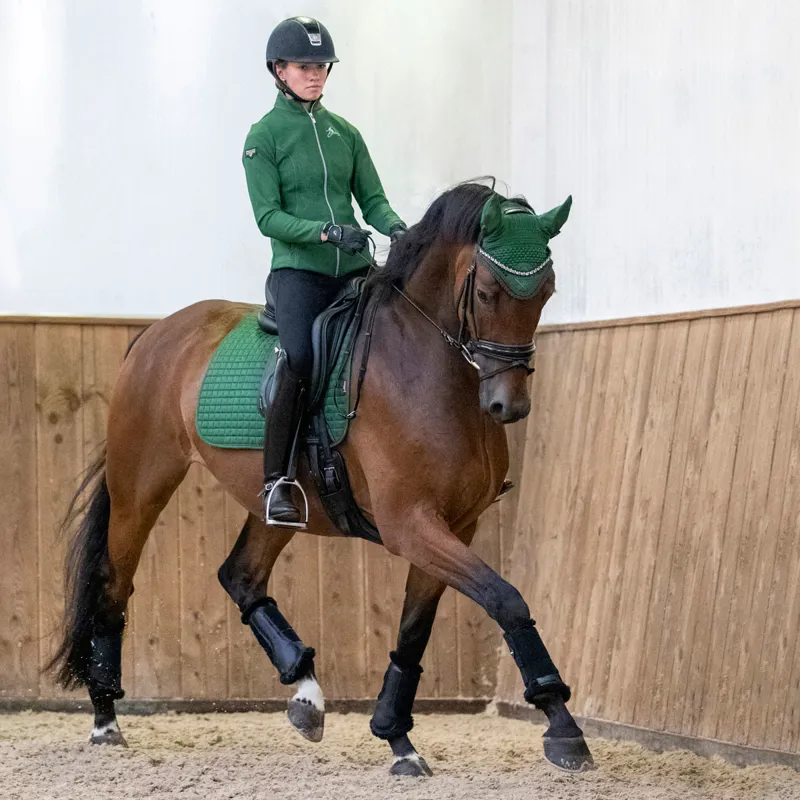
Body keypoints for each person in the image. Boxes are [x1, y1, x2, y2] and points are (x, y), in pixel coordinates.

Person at [243, 16, 407, 524]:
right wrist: (325, 232)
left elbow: (373, 200)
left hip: (354, 268)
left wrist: (398, 228)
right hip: (300, 273)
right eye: (304, 66)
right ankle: (276, 481)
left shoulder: (346, 134)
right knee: (298, 357)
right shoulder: (263, 137)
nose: (315, 74)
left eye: (321, 67)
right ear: (279, 70)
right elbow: (267, 217)